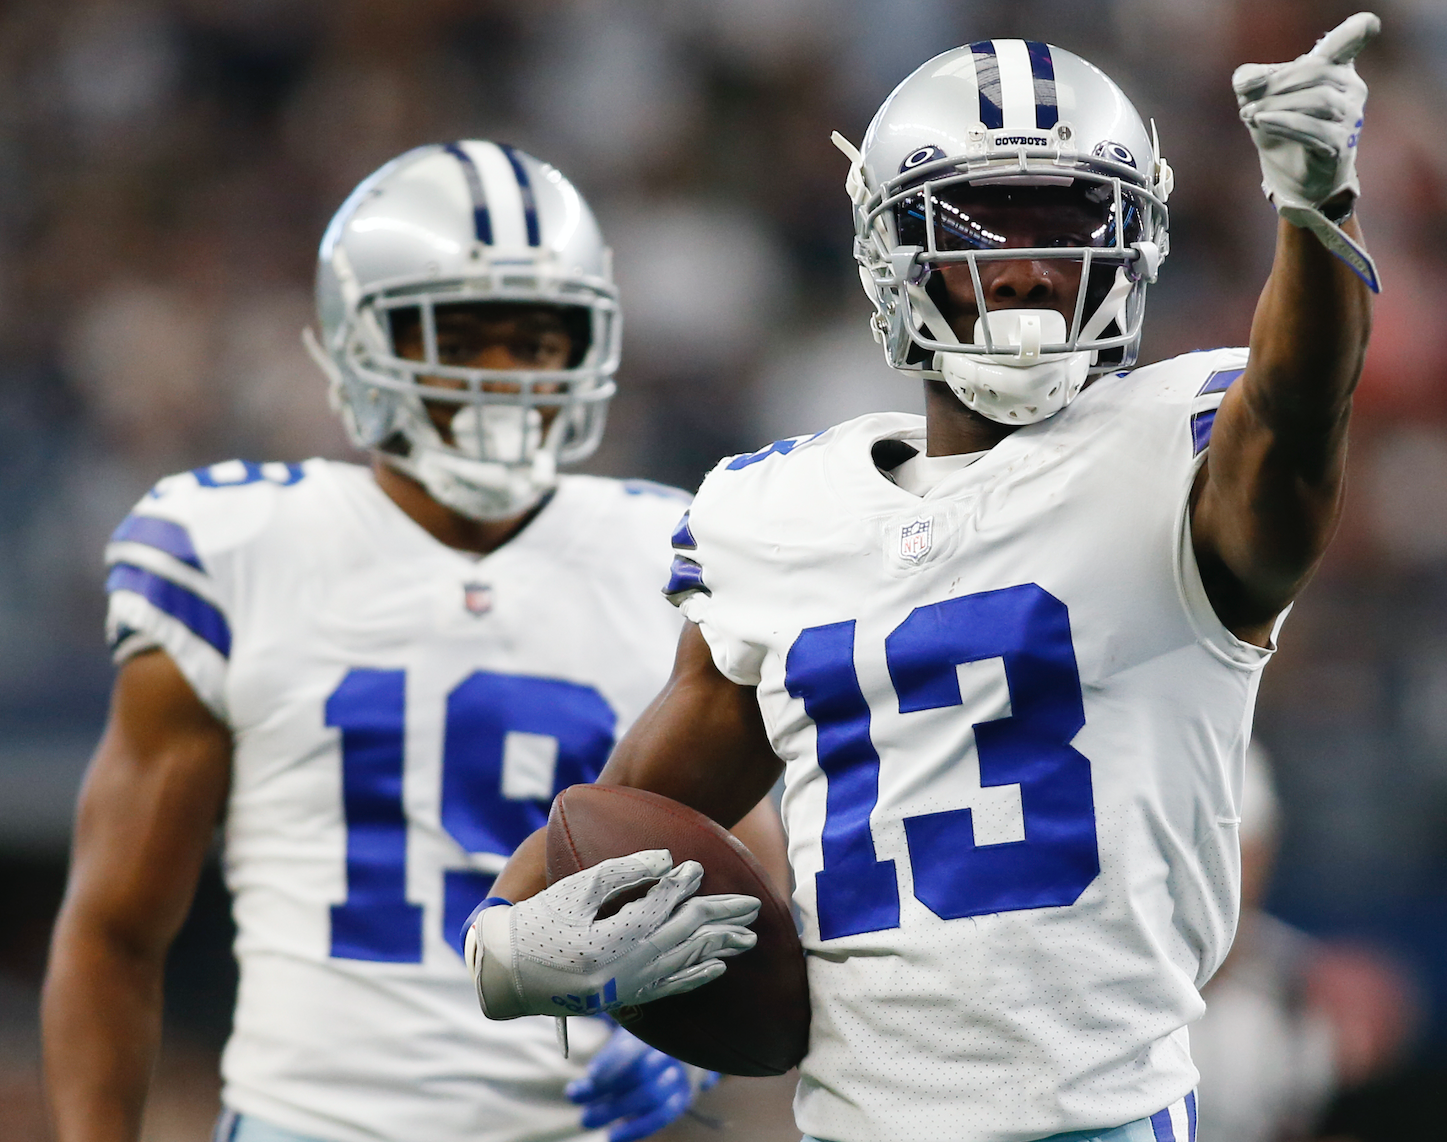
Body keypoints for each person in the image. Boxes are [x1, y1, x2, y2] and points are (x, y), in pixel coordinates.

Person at [468, 17, 1379, 1142]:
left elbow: (1299, 407)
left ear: (1132, 247)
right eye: (980, 228)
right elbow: (628, 815)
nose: (1031, 268)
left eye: (1071, 227)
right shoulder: (775, 516)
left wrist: (1315, 212)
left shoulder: (1177, 456)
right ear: (891, 254)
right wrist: (505, 942)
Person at [40, 141, 778, 1142]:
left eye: (539, 339)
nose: (504, 375)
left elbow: (753, 883)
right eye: (460, 336)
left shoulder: (672, 547)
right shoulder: (237, 550)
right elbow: (114, 929)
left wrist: (693, 1028)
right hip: (314, 1122)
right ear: (362, 340)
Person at [1188, 746, 1417, 1142]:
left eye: (1242, 855)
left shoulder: (1307, 992)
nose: (1224, 876)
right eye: (1206, 855)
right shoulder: (1113, 964)